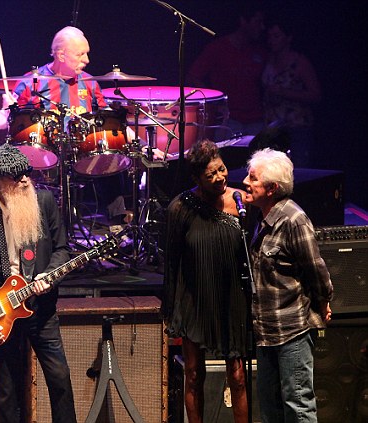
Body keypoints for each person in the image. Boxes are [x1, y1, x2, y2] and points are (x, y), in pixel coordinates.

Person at [0, 143, 76, 423]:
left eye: (27, 173)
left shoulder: (44, 202)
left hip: (41, 310)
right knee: (7, 393)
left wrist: (49, 274)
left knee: (60, 380)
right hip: (1, 314)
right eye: (16, 176)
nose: (25, 180)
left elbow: (62, 250)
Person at [242, 148, 333, 423]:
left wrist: (323, 301)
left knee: (298, 406)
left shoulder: (294, 219)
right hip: (265, 331)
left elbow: (316, 270)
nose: (246, 182)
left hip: (292, 331)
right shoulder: (261, 219)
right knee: (270, 409)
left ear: (271, 188)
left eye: (253, 178)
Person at [162, 139, 250, 423]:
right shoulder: (181, 207)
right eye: (210, 175)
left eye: (222, 169)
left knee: (237, 375)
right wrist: (171, 307)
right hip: (195, 298)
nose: (219, 178)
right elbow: (172, 260)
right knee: (193, 373)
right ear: (197, 178)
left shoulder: (240, 201)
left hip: (230, 298)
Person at [10, 25, 131, 222]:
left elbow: (110, 121)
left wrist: (141, 143)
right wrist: (6, 108)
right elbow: (5, 124)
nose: (87, 60)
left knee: (111, 156)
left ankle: (117, 228)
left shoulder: (90, 82)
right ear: (61, 55)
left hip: (82, 149)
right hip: (46, 152)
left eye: (87, 54)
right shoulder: (32, 81)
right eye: (80, 54)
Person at [187, 5, 267, 140]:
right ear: (244, 21)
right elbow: (192, 76)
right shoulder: (218, 48)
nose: (262, 27)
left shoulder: (259, 50)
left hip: (256, 120)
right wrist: (215, 102)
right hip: (229, 121)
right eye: (257, 22)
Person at [262, 16, 321, 168]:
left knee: (299, 168)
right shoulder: (268, 60)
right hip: (273, 126)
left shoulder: (299, 62)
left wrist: (284, 92)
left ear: (288, 38)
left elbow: (315, 94)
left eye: (277, 36)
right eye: (270, 36)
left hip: (297, 126)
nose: (272, 40)